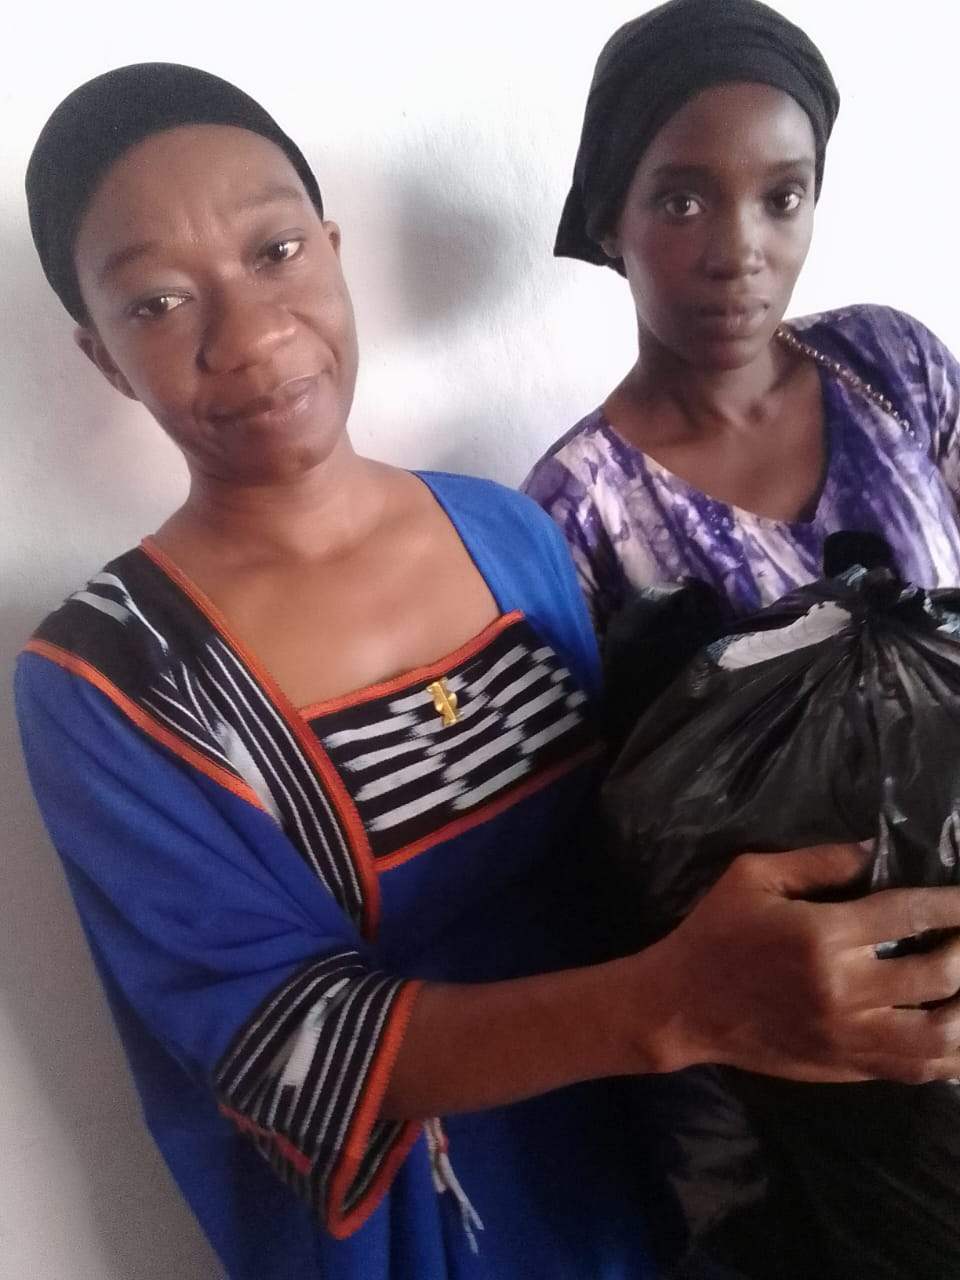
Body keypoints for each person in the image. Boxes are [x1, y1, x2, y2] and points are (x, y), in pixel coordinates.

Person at [15, 61, 960, 1280]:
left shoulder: (506, 534)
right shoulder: (111, 677)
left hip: (684, 1189)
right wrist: (676, 1002)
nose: (249, 335)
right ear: (101, 355)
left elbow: (638, 843)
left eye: (276, 252)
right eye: (156, 302)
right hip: (450, 1240)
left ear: (334, 250)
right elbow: (281, 1045)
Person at [523, 0, 960, 636]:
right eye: (683, 203)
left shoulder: (894, 364)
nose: (739, 255)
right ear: (611, 219)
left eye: (783, 198)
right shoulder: (577, 511)